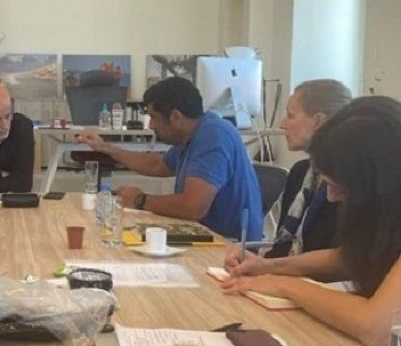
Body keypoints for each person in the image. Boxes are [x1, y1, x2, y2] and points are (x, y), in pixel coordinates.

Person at [221, 96, 401, 346]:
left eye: (338, 187)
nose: (331, 198)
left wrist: (285, 285)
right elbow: (353, 256)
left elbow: (376, 327)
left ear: (381, 184)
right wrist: (269, 266)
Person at [77, 77, 262, 239]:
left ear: (175, 116)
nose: (151, 125)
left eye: (153, 117)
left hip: (230, 246)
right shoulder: (193, 134)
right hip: (203, 235)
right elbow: (157, 164)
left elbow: (193, 207)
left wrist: (140, 200)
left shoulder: (213, 136)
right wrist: (105, 147)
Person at [266, 79, 351, 258]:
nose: (282, 124)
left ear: (318, 121)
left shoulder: (345, 182)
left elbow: (342, 260)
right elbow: (281, 248)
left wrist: (269, 267)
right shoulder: (300, 171)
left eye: (290, 116)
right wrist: (254, 264)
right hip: (282, 271)